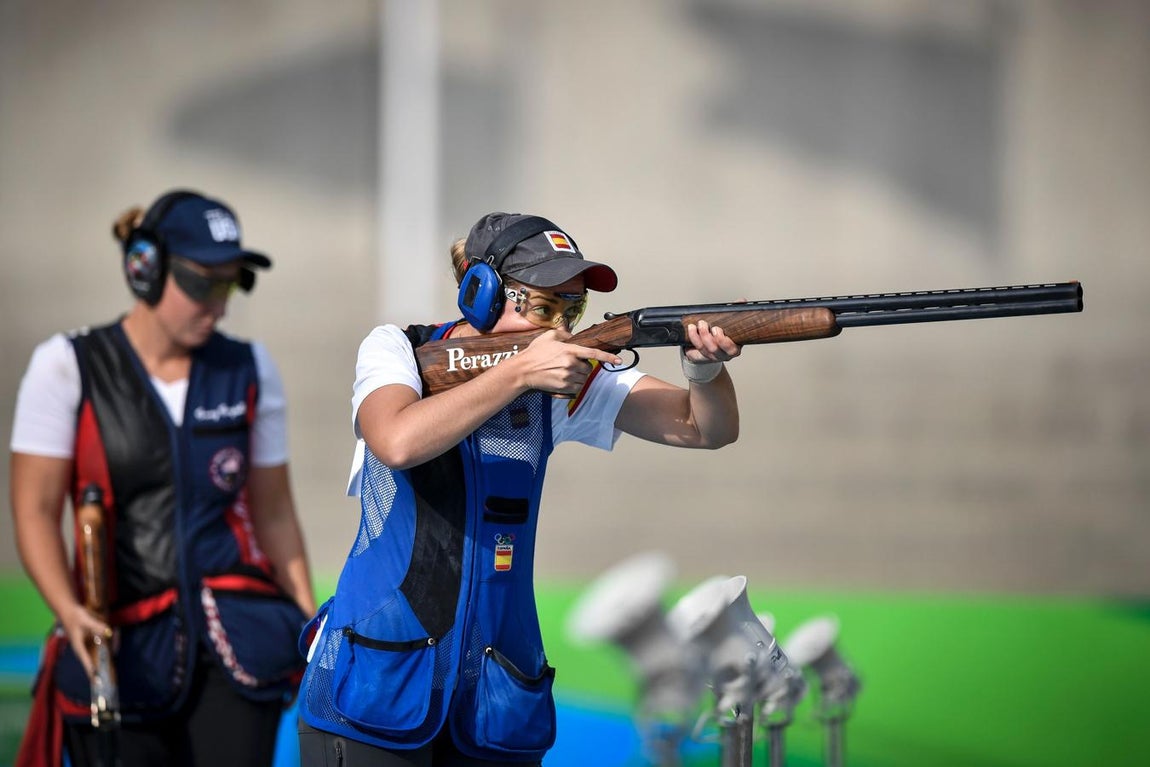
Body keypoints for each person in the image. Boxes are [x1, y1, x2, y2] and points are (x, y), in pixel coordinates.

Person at [297, 212, 741, 766]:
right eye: (542, 305)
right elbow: (397, 441)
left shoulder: (566, 379)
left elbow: (706, 429)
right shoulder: (398, 349)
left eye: (571, 309)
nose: (558, 328)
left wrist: (704, 373)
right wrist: (519, 374)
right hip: (375, 694)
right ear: (479, 292)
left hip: (494, 702)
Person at [10, 189, 317, 767]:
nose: (219, 304)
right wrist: (69, 609)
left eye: (230, 283)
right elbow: (34, 510)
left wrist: (307, 629)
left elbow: (274, 513)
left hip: (240, 645)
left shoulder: (252, 368)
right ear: (144, 270)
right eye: (203, 283)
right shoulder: (65, 365)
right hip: (121, 646)